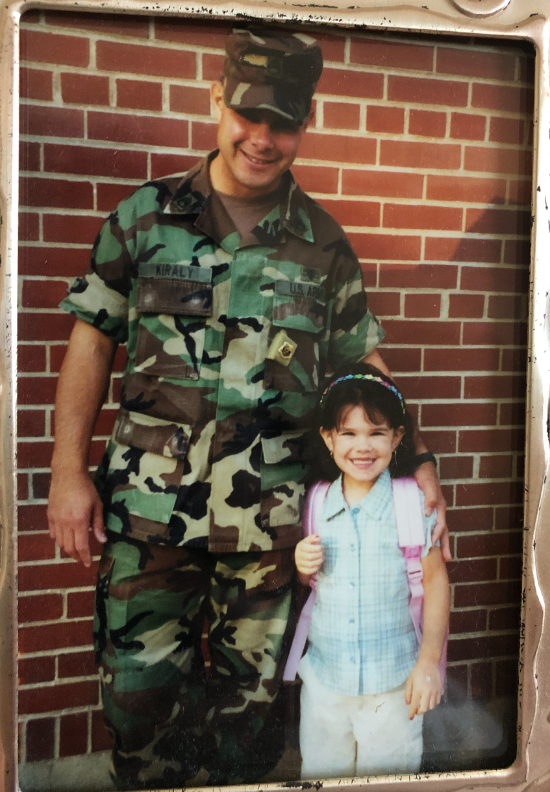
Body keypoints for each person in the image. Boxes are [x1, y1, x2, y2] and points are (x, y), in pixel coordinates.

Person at [47, 26, 449, 790]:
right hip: (147, 518)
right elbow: (90, 344)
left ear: (305, 123)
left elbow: (364, 366)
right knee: (139, 708)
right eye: (248, 115)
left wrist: (418, 463)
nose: (262, 139)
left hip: (269, 529)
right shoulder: (144, 217)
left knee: (250, 723)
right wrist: (68, 473)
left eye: (284, 122)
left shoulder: (324, 246)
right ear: (217, 102)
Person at [293, 362, 450, 779]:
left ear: (398, 438)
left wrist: (429, 662)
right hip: (326, 685)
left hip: (394, 684)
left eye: (376, 432)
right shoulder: (317, 503)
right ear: (328, 438)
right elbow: (308, 584)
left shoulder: (411, 503)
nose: (362, 447)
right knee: (322, 775)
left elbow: (436, 583)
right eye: (348, 433)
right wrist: (300, 564)